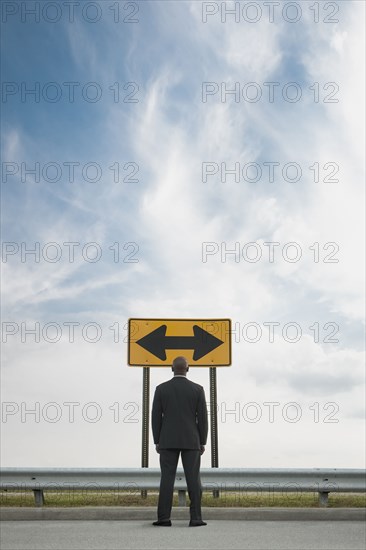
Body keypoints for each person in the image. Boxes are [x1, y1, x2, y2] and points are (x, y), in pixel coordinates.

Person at [151, 356, 208, 527]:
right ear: (188, 369)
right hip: (191, 440)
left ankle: (164, 518)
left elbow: (155, 418)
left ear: (172, 368)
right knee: (194, 480)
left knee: (166, 480)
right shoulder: (197, 389)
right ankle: (196, 518)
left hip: (167, 440)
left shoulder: (161, 389)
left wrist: (157, 440)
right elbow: (203, 419)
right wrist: (202, 441)